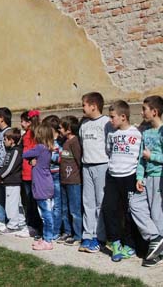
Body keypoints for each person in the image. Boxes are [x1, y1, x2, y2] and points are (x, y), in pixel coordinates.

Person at [131, 95, 163, 267]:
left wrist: (152, 156)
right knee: (134, 204)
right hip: (146, 177)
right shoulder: (146, 132)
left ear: (154, 112)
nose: (142, 113)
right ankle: (155, 237)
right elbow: (142, 157)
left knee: (158, 213)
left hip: (159, 177)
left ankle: (158, 254)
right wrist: (139, 177)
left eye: (144, 109)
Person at [102, 100, 141, 262]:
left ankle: (130, 244)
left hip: (129, 176)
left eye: (113, 117)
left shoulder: (136, 134)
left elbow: (139, 157)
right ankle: (115, 242)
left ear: (123, 117)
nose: (110, 121)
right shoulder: (112, 134)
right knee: (109, 208)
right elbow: (109, 151)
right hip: (113, 176)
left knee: (129, 212)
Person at [78, 92, 112, 253]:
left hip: (101, 165)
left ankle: (100, 237)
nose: (82, 107)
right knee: (88, 202)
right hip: (87, 166)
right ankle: (88, 234)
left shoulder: (106, 122)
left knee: (100, 202)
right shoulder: (83, 124)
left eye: (84, 104)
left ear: (94, 106)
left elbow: (109, 144)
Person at [23, 123, 55, 251]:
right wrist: (32, 160)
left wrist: (30, 158)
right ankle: (45, 237)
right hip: (44, 184)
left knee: (46, 215)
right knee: (45, 214)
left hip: (42, 187)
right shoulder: (45, 148)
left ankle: (48, 241)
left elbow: (24, 154)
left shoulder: (40, 148)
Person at [17, 109, 42, 238]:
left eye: (22, 121)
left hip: (32, 172)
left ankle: (35, 226)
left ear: (28, 122)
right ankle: (31, 225)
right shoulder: (26, 133)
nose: (20, 123)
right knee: (28, 201)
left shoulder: (34, 134)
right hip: (26, 172)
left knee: (33, 202)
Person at [58, 115, 82, 246]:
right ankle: (67, 232)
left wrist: (79, 177)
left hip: (74, 181)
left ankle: (78, 235)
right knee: (65, 209)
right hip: (64, 181)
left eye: (61, 127)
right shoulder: (65, 142)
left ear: (68, 129)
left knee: (75, 210)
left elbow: (79, 161)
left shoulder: (74, 142)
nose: (59, 129)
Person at [0, 127, 26, 235]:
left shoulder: (16, 151)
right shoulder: (10, 151)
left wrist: (1, 175)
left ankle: (13, 225)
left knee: (12, 204)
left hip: (13, 182)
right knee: (16, 203)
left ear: (11, 140)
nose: (4, 142)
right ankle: (20, 222)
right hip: (8, 181)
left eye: (5, 139)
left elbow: (10, 167)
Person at [42, 114, 63, 241]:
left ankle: (56, 230)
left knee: (56, 205)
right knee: (47, 205)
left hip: (56, 175)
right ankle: (48, 229)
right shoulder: (46, 143)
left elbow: (61, 158)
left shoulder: (59, 144)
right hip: (46, 175)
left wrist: (49, 155)